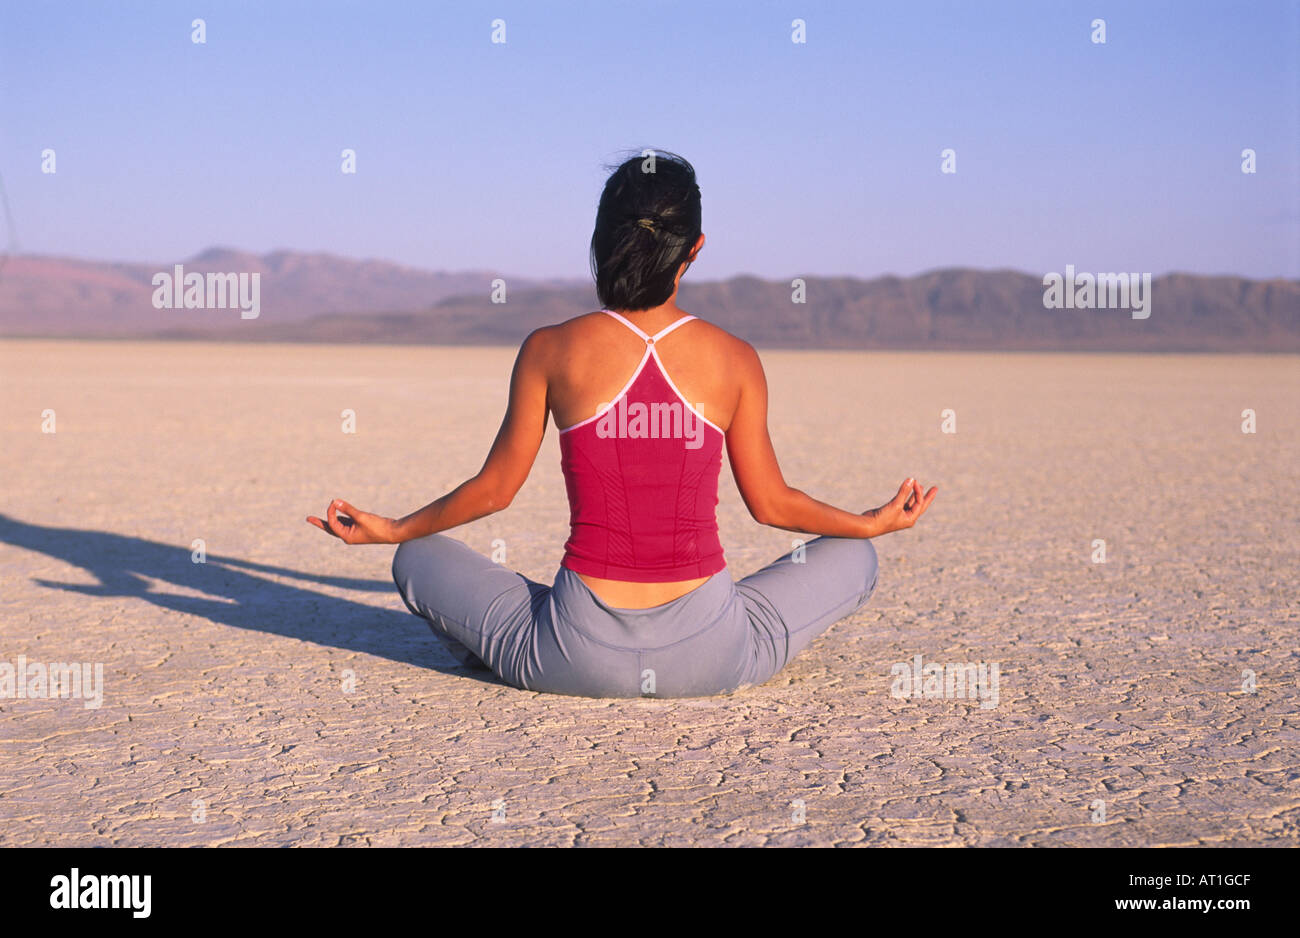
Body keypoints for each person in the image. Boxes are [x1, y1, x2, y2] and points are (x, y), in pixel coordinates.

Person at [308, 150, 937, 697]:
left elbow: (495, 490)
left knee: (416, 556)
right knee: (856, 558)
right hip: (711, 655)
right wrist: (871, 523)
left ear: (600, 238)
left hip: (571, 655)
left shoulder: (550, 349)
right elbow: (772, 505)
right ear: (694, 248)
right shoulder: (735, 359)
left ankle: (497, 652)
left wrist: (392, 529)